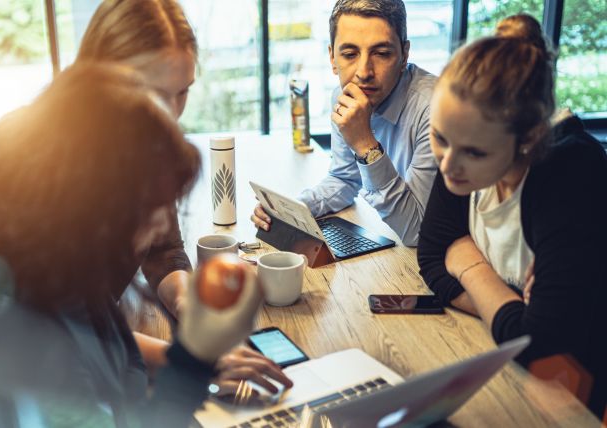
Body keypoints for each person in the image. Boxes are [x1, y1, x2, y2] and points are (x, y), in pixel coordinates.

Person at [0, 0, 291, 400]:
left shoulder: (147, 143)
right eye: (152, 92)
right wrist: (186, 359)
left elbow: (165, 255)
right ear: (101, 76)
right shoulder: (23, 148)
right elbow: (50, 322)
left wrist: (194, 317)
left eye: (182, 92)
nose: (168, 114)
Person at [417, 14, 607, 417]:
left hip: (574, 399)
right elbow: (431, 255)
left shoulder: (572, 175)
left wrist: (464, 261)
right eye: (440, 139)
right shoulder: (467, 141)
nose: (448, 166)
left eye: (474, 152)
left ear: (529, 139)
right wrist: (509, 306)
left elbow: (540, 344)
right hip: (507, 369)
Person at [252, 0, 437, 246]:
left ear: (404, 55)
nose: (364, 72)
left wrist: (365, 146)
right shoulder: (342, 98)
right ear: (332, 57)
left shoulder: (436, 110)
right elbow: (345, 180)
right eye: (350, 54)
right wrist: (294, 209)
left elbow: (417, 232)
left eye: (382, 53)